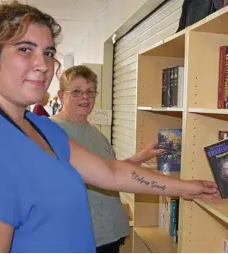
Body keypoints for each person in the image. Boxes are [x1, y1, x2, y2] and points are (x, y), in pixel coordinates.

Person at [0, 1, 219, 253]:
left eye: (49, 52)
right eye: (25, 49)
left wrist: (188, 187)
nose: (43, 64)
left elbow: (112, 172)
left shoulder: (40, 128)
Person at [50, 65, 162, 253]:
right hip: (79, 239)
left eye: (90, 92)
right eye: (76, 92)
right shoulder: (52, 131)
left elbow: (111, 171)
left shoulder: (94, 132)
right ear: (61, 96)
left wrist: (143, 155)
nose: (85, 97)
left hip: (109, 234)